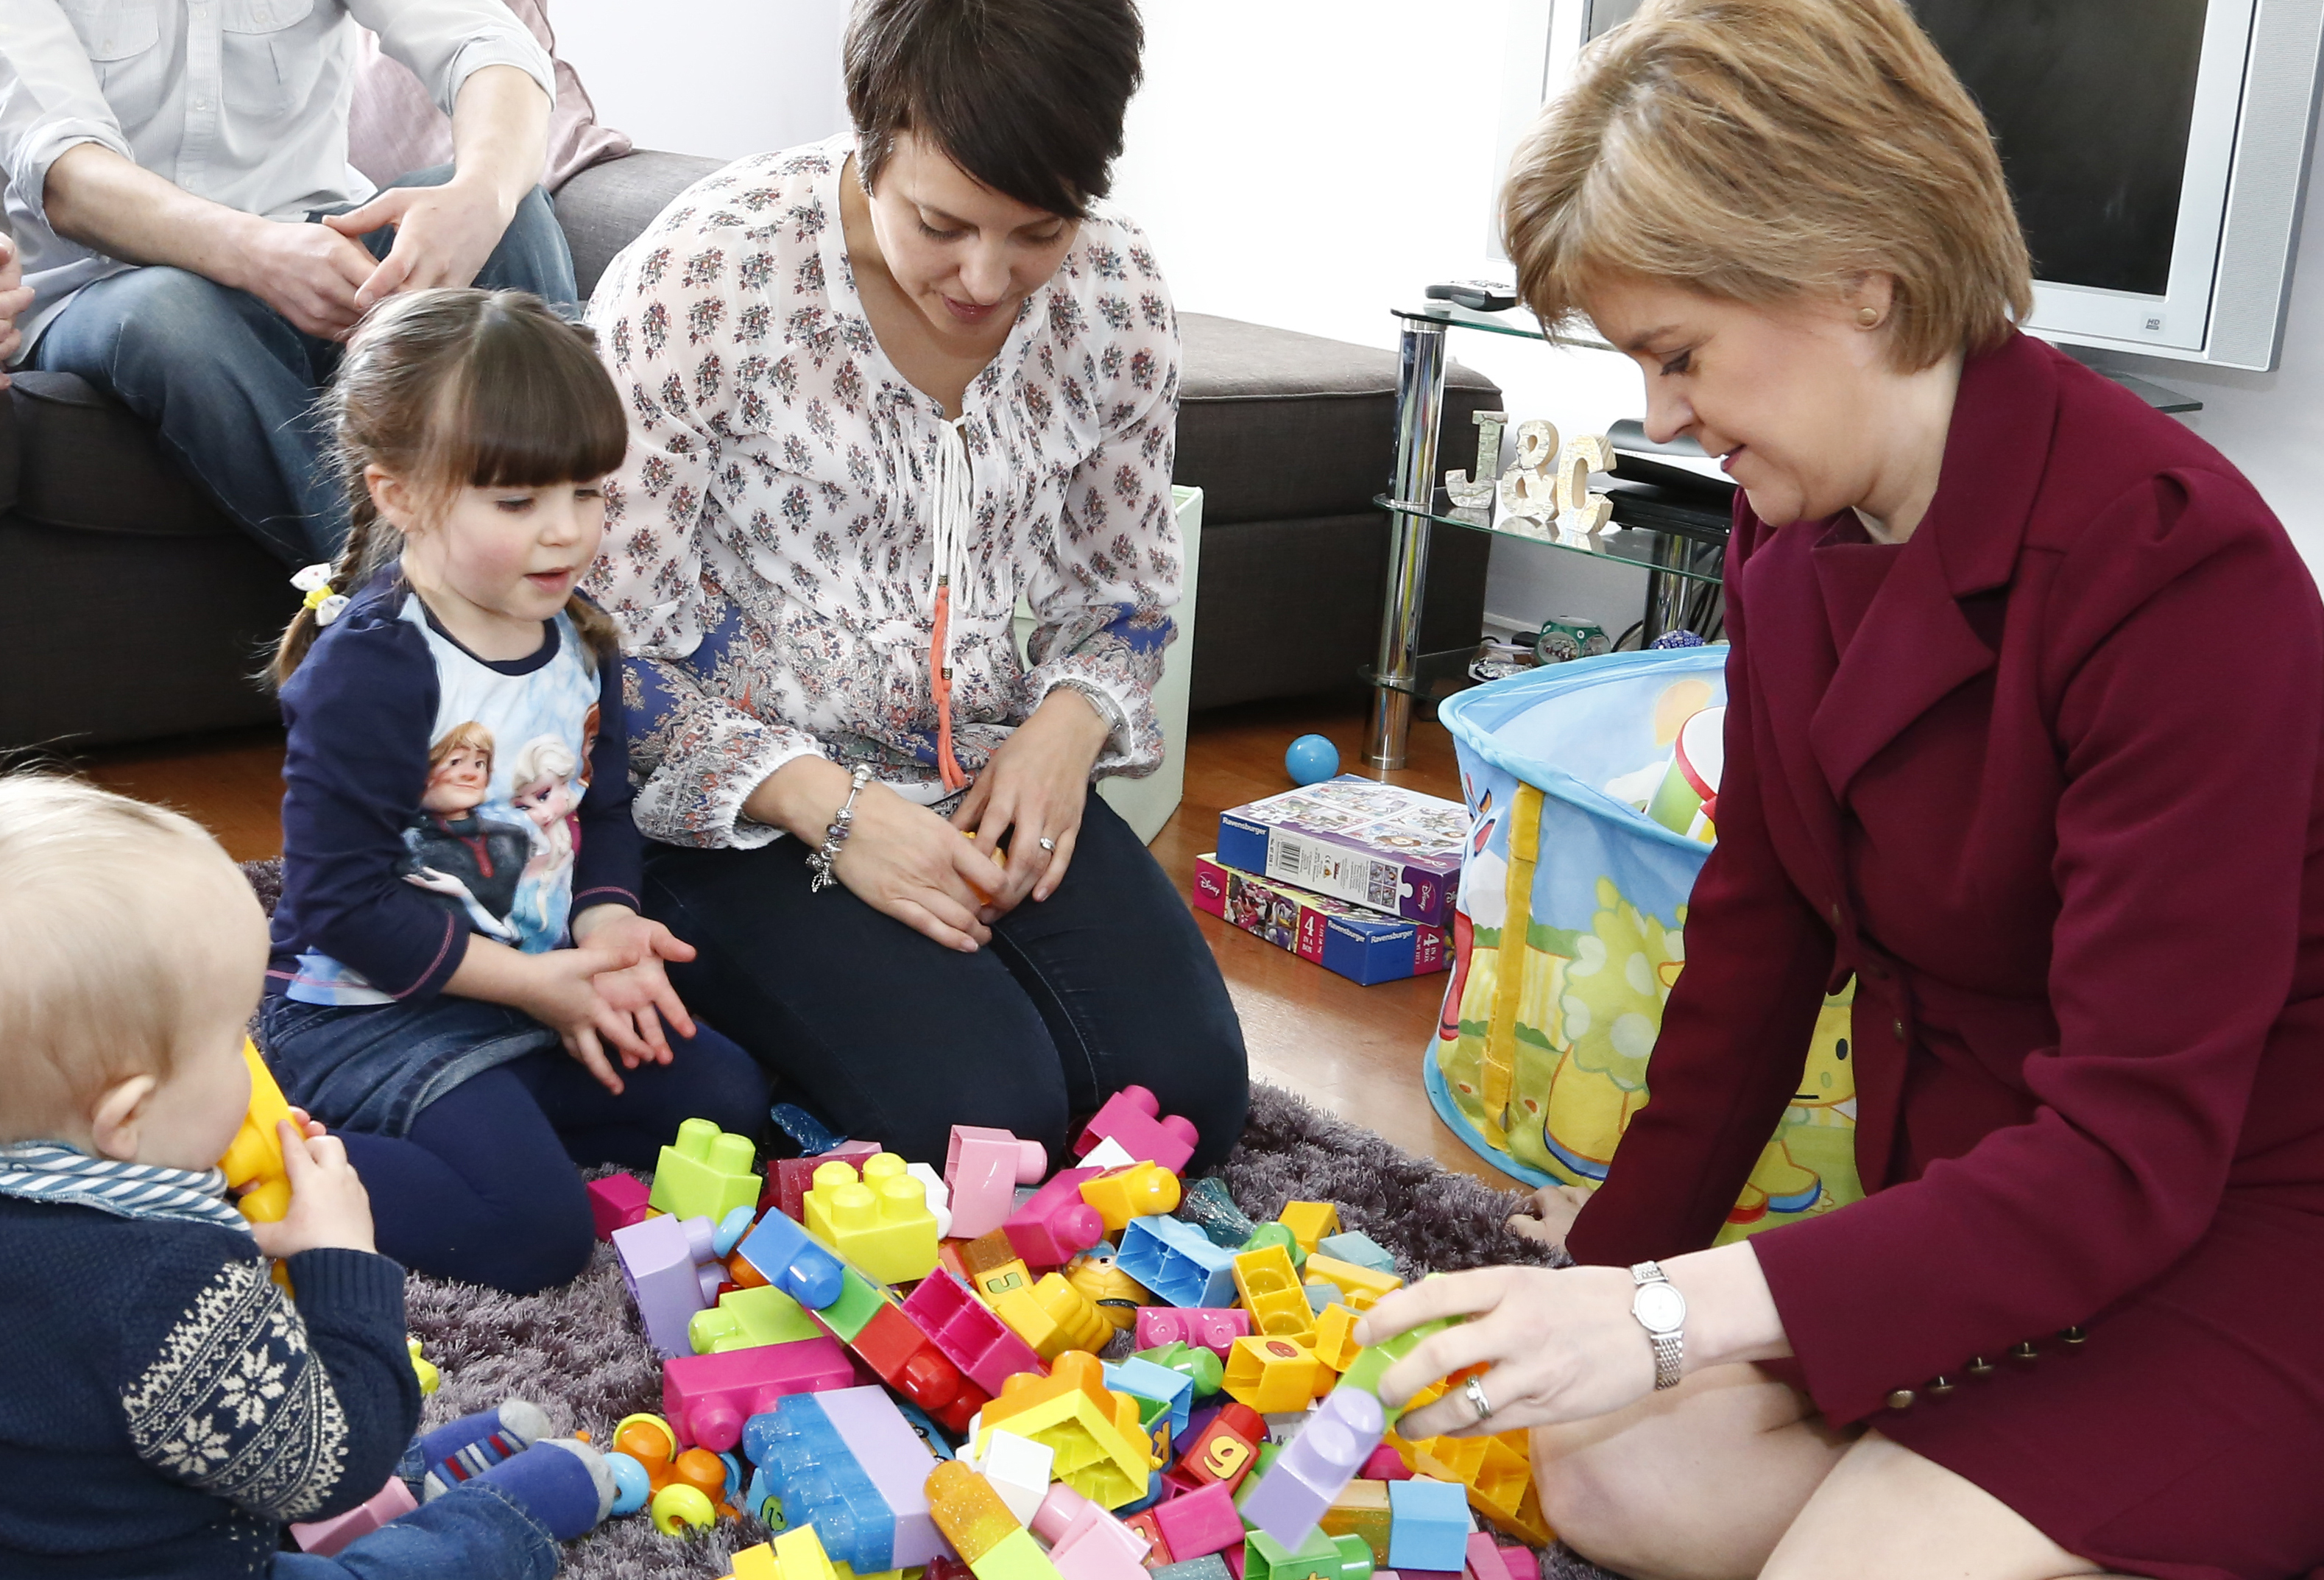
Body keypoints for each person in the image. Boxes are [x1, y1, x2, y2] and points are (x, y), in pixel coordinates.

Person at [1356, 2, 2324, 1578]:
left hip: (2225, 1233)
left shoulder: (2175, 566)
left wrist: (1672, 1314)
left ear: (1855, 274)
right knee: (1603, 1473)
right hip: (1983, 1229)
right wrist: (1613, 1268)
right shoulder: (1788, 534)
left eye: (1676, 354)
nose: (1659, 414)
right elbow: (1756, 934)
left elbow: (2133, 1148)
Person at [582, 0, 1248, 1171]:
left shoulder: (1118, 299)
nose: (986, 279)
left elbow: (1126, 585)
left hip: (985, 775)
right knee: (983, 1121)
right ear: (871, 132)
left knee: (1188, 1101)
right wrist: (824, 804)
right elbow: (595, 637)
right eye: (942, 224)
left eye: (1037, 232)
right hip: (743, 806)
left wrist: (1065, 725)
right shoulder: (707, 281)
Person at [261, 288, 766, 1296]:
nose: (565, 533)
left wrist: (608, 923)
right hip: (371, 1011)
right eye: (517, 501)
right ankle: (257, 1172)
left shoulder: (578, 635)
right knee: (532, 1232)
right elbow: (335, 902)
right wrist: (538, 985)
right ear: (399, 495)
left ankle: (488, 1113)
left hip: (529, 993)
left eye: (587, 492)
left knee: (729, 1100)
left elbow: (603, 810)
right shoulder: (376, 668)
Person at [0, 773, 617, 1579]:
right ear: (127, 1120)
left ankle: (413, 1485)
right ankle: (496, 1520)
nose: (256, 1058)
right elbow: (334, 1463)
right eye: (231, 1040)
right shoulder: (164, 1286)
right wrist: (340, 1262)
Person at [0, 0, 574, 562]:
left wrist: (482, 192)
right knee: (167, 311)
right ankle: (412, 601)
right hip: (110, 286)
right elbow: (66, 172)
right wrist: (256, 251)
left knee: (511, 210)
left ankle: (595, 568)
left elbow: (488, 43)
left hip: (319, 242)